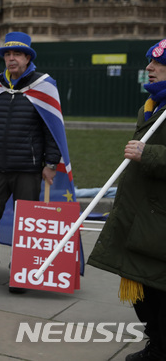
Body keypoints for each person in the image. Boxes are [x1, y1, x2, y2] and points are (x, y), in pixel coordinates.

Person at [88, 39, 166, 361]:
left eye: (159, 64)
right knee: (144, 293)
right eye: (149, 62)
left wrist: (149, 154)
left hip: (158, 221)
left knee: (156, 293)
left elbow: (149, 156)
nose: (148, 68)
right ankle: (159, 345)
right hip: (140, 218)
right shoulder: (151, 107)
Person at [0, 32, 62, 289]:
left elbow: (52, 128)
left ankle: (22, 273)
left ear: (28, 57)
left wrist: (51, 164)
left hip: (28, 169)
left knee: (26, 226)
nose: (11, 59)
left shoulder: (44, 84)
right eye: (7, 54)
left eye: (16, 54)